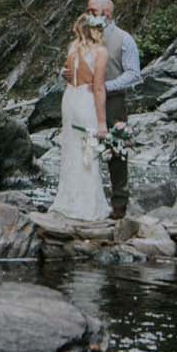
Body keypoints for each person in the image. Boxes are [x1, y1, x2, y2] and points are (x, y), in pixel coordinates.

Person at [86, 0, 143, 218]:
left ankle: (119, 205)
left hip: (114, 102)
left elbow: (134, 75)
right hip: (84, 101)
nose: (87, 14)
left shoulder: (124, 39)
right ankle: (89, 201)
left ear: (106, 14)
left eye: (91, 11)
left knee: (116, 151)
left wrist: (105, 87)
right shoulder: (86, 37)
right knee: (85, 149)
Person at [54, 13, 112, 222]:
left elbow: (68, 73)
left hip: (70, 98)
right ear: (97, 30)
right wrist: (103, 122)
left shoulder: (72, 48)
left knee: (71, 151)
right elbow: (98, 87)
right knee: (88, 152)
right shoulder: (100, 52)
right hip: (86, 100)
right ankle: (88, 207)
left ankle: (67, 201)